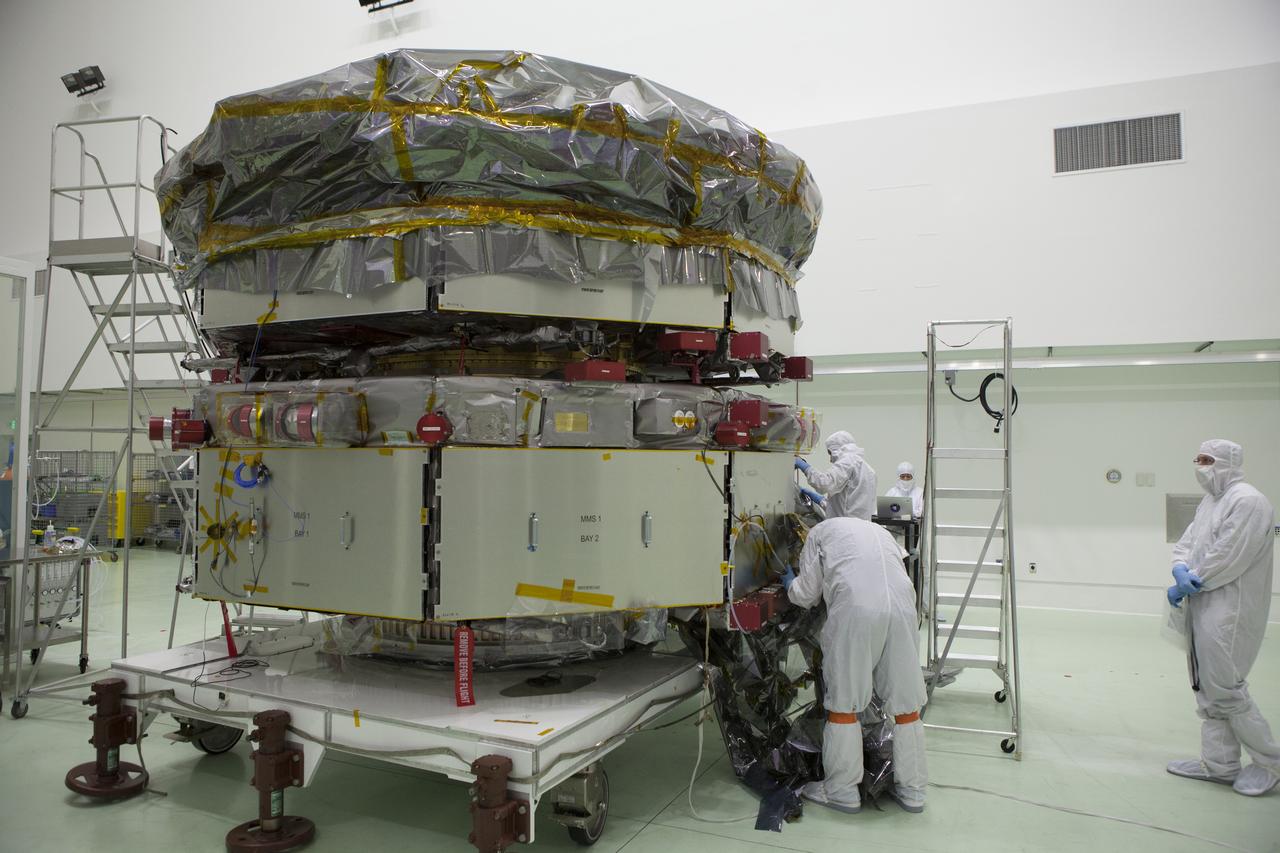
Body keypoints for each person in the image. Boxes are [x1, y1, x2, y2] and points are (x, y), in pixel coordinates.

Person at [779, 517, 927, 814]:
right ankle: (912, 790)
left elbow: (806, 595)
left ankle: (842, 791)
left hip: (857, 611)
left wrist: (789, 581)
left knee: (844, 703)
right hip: (902, 608)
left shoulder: (818, 533)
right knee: (906, 703)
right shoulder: (879, 531)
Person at [1166, 439, 1278, 797]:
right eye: (1197, 458)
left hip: (1231, 609)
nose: (1200, 465)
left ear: (1228, 462)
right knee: (1207, 690)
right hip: (1204, 604)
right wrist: (1180, 568)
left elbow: (1229, 555)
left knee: (1227, 691)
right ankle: (1220, 765)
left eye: (1207, 459)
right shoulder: (1210, 502)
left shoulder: (1248, 501)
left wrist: (1194, 579)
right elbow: (1187, 543)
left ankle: (1271, 763)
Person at [795, 431, 877, 520]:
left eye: (830, 453)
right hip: (861, 526)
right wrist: (821, 501)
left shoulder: (848, 461)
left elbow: (823, 484)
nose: (830, 459)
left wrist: (805, 467)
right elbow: (848, 508)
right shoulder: (869, 470)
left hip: (846, 526)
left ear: (837, 449)